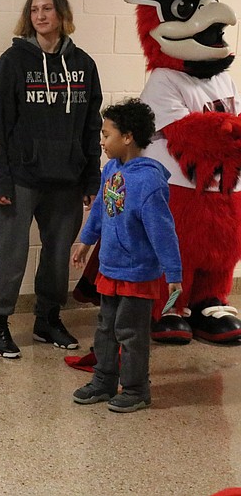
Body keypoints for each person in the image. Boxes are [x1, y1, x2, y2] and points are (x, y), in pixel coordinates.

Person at [0, 0, 103, 358]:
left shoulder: (83, 65)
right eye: (34, 10)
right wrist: (1, 177)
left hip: (67, 179)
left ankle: (48, 319)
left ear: (61, 14)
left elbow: (91, 127)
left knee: (56, 256)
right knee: (8, 255)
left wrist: (91, 177)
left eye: (48, 9)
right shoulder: (13, 62)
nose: (40, 16)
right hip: (20, 178)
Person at [71, 98, 182, 413]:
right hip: (111, 268)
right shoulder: (110, 170)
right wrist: (85, 240)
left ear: (128, 137)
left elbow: (163, 231)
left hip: (138, 273)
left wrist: (174, 274)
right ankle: (104, 381)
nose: (102, 141)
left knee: (131, 333)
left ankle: (136, 389)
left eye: (107, 135)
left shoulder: (148, 180)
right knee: (106, 328)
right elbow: (100, 213)